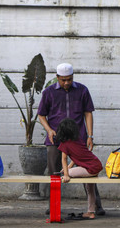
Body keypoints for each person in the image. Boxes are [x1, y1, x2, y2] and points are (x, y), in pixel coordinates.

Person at [37, 62, 105, 215]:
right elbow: (41, 115)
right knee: (55, 172)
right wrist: (49, 130)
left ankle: (96, 207)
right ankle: (53, 206)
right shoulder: (48, 92)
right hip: (55, 138)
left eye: (69, 79)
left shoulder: (82, 90)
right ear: (57, 78)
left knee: (88, 170)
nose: (67, 83)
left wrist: (90, 135)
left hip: (78, 139)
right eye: (63, 80)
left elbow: (88, 113)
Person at [56, 118, 103, 219]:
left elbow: (63, 160)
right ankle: (91, 212)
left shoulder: (64, 144)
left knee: (61, 175)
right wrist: (68, 167)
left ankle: (91, 212)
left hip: (89, 168)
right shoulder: (78, 140)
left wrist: (66, 174)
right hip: (96, 165)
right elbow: (76, 157)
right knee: (90, 189)